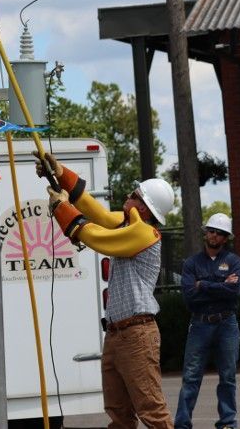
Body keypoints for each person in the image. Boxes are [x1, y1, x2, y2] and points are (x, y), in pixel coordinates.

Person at [34, 151, 175, 429]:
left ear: (144, 208)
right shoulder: (128, 226)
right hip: (118, 334)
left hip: (136, 334)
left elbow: (95, 236)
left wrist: (62, 208)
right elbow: (93, 211)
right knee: (118, 414)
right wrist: (60, 173)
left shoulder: (145, 233)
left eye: (134, 194)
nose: (129, 196)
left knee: (152, 412)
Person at [174, 213, 240, 429]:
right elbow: (189, 296)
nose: (214, 235)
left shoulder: (234, 261)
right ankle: (182, 425)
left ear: (225, 238)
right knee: (191, 378)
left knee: (228, 376)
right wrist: (221, 284)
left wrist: (203, 285)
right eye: (211, 230)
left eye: (219, 233)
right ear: (206, 233)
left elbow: (234, 292)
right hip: (200, 323)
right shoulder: (191, 263)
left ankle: (228, 423)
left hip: (227, 324)